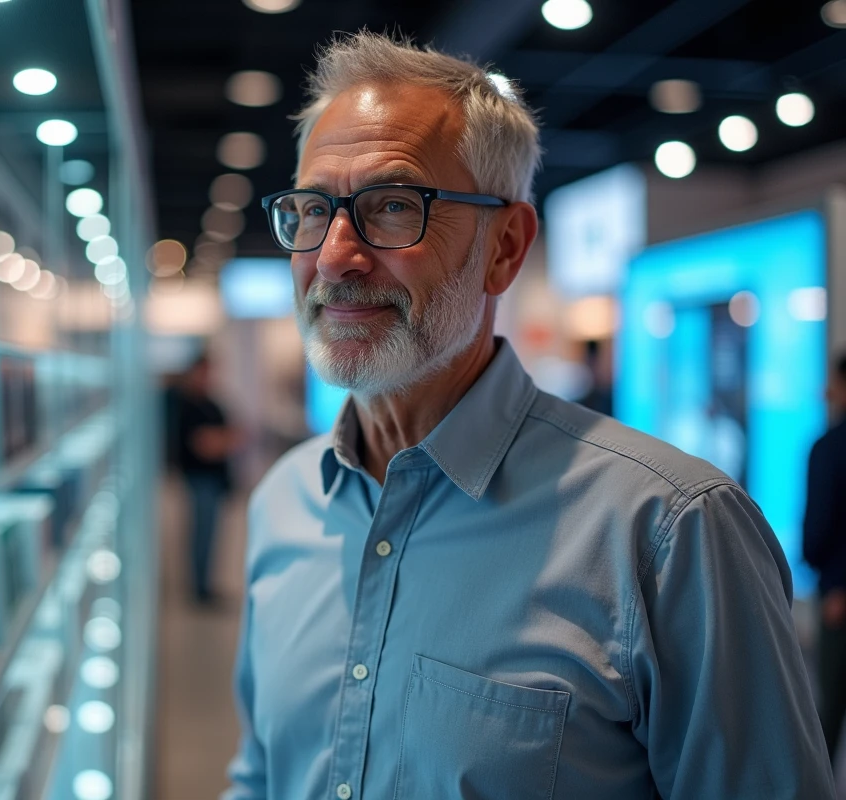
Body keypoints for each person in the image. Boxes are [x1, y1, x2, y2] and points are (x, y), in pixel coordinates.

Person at [224, 31, 831, 800]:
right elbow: (260, 776)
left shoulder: (666, 531)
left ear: (505, 246)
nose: (335, 255)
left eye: (393, 207)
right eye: (313, 210)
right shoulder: (285, 502)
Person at [804, 353, 846, 765]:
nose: (826, 391)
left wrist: (835, 583)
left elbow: (818, 528)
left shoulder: (830, 447)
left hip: (838, 597)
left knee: (828, 711)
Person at [170, 353, 236, 604]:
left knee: (210, 535)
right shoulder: (186, 406)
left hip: (214, 479)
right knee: (201, 534)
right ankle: (199, 589)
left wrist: (220, 440)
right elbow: (204, 445)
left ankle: (204, 585)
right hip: (199, 478)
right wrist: (221, 440)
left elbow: (232, 436)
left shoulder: (211, 403)